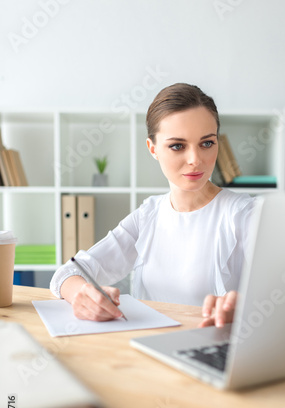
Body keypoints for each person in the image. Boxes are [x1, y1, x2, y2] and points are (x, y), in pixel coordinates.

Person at [50, 83, 255, 327]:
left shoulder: (244, 214)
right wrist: (81, 295)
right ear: (153, 149)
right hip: (148, 348)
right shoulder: (149, 214)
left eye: (207, 143)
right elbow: (66, 274)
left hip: (213, 351)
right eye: (177, 146)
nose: (195, 160)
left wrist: (245, 307)